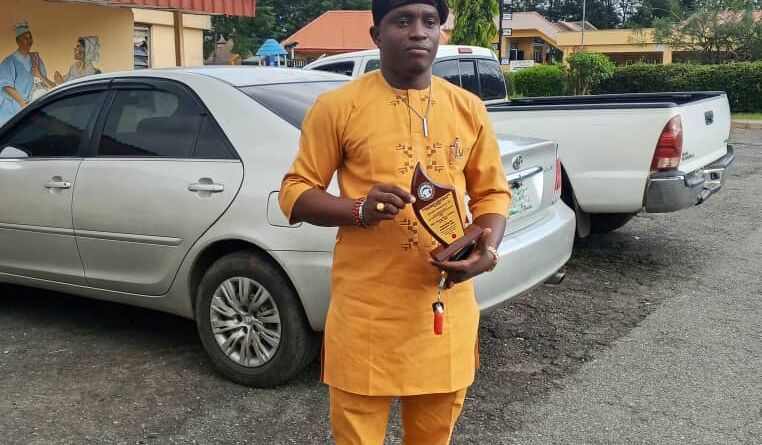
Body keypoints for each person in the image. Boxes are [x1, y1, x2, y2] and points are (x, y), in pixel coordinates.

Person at [279, 1, 511, 444]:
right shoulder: (339, 107)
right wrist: (359, 211)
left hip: (444, 313)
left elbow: (492, 193)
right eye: (402, 21)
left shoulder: (468, 108)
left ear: (441, 32)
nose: (418, 32)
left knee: (433, 436)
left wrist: (487, 250)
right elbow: (295, 191)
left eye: (429, 21)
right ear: (376, 35)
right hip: (368, 317)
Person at [0, 21, 55, 124]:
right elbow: (6, 86)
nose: (29, 41)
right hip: (15, 110)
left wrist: (40, 75)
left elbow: (43, 83)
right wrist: (23, 103)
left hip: (33, 109)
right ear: (18, 41)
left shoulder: (36, 59)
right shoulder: (9, 62)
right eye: (25, 38)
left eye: (30, 38)